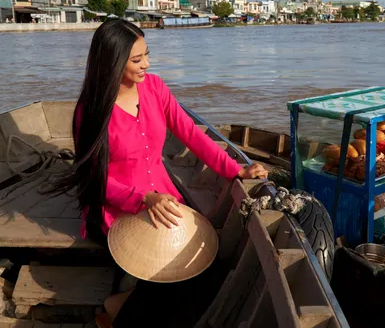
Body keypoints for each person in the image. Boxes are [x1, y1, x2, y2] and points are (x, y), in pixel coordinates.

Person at [45, 19, 268, 327]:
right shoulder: (92, 109)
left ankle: (116, 306)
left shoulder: (155, 88)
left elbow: (191, 134)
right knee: (174, 275)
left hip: (166, 200)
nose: (147, 64)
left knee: (207, 264)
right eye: (137, 60)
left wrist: (236, 169)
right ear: (112, 62)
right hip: (119, 208)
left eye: (147, 54)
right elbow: (93, 178)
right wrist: (143, 198)